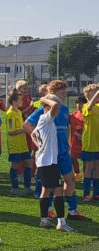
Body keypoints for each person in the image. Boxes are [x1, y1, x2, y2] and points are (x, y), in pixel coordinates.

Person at [24, 80, 85, 219]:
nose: (65, 95)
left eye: (65, 92)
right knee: (51, 186)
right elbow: (27, 125)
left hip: (63, 152)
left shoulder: (64, 109)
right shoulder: (43, 109)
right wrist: (39, 144)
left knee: (70, 180)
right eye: (62, 93)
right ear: (53, 94)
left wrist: (68, 143)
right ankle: (49, 210)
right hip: (51, 153)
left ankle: (72, 211)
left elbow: (67, 126)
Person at [32, 95, 74, 232]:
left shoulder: (42, 121)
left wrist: (40, 146)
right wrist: (45, 100)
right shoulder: (46, 118)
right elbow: (54, 107)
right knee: (58, 190)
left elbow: (33, 134)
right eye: (56, 106)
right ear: (48, 107)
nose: (58, 109)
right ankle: (61, 223)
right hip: (49, 161)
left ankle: (44, 220)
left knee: (46, 190)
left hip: (44, 160)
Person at [6, 91, 33, 195]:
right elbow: (11, 131)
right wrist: (25, 129)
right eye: (20, 100)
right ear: (14, 101)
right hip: (15, 145)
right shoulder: (10, 113)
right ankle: (14, 188)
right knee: (15, 164)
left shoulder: (18, 112)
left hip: (22, 144)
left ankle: (27, 187)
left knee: (29, 162)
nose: (22, 101)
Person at [81, 84, 99, 200]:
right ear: (88, 95)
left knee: (97, 168)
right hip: (90, 144)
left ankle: (96, 193)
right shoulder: (86, 106)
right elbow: (89, 107)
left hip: (98, 143)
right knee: (89, 168)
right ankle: (86, 194)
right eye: (95, 91)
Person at [70, 96, 86, 182]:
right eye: (77, 103)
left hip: (85, 141)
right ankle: (77, 173)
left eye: (81, 103)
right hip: (74, 141)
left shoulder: (87, 114)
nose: (79, 105)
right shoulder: (73, 115)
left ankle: (85, 176)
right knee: (72, 157)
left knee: (85, 159)